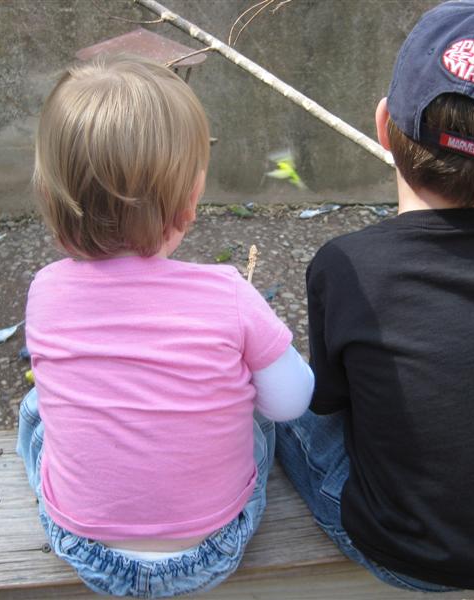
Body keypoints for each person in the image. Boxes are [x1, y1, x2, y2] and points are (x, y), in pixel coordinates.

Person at [276, 0, 474, 592]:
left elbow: (329, 404)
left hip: (398, 548)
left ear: (384, 125)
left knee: (275, 408)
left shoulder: (347, 265)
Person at [17, 54, 314, 597]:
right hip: (210, 549)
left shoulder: (45, 292)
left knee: (35, 411)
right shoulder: (228, 292)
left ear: (52, 199)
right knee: (258, 417)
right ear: (191, 200)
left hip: (87, 550)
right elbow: (291, 402)